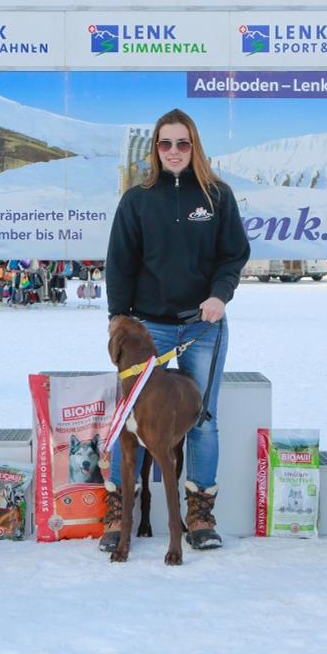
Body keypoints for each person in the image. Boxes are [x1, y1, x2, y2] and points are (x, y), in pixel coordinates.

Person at [103, 108, 250, 552]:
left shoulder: (218, 197)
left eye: (181, 144)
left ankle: (200, 512)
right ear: (155, 149)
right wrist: (118, 316)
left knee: (202, 420)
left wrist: (220, 295)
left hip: (202, 326)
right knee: (131, 422)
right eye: (165, 144)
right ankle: (118, 511)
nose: (173, 152)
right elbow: (120, 264)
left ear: (194, 147)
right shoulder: (137, 200)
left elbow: (233, 255)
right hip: (148, 330)